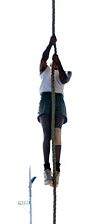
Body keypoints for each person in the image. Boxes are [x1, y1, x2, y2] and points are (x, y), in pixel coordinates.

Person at [37, 35, 70, 187]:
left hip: (58, 100)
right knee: (47, 133)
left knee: (57, 134)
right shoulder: (45, 71)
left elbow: (65, 79)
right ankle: (46, 169)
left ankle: (57, 169)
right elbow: (43, 58)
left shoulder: (63, 72)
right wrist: (50, 45)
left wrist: (59, 63)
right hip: (46, 99)